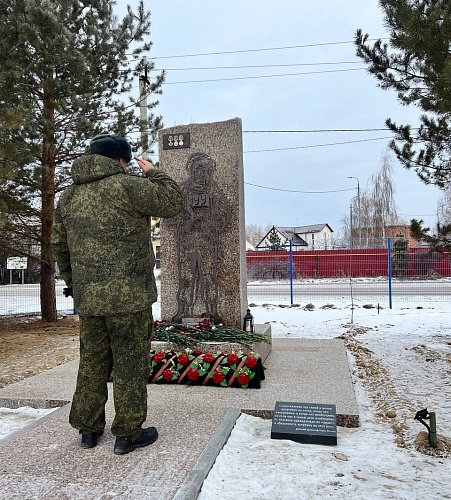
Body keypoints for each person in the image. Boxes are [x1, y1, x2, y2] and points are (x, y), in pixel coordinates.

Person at [51, 134, 184, 455]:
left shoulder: (68, 197)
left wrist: (75, 283)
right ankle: (127, 434)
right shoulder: (129, 186)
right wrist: (153, 171)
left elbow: (60, 247)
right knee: (129, 364)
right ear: (122, 160)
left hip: (90, 299)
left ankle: (88, 429)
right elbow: (174, 202)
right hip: (131, 299)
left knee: (92, 362)